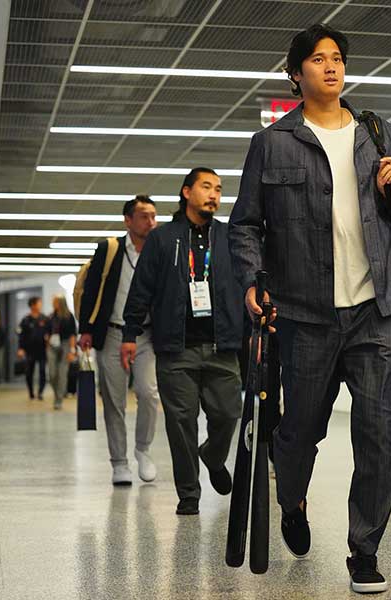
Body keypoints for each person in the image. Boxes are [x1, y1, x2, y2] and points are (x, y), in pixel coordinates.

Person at [229, 24, 391, 594]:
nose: (331, 66)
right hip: (305, 314)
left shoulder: (378, 134)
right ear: (295, 74)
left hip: (375, 309)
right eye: (317, 59)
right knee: (298, 431)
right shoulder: (272, 143)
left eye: (337, 57)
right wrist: (252, 280)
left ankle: (364, 551)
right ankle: (292, 500)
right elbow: (245, 225)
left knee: (378, 434)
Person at [122, 168, 244, 516]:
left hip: (222, 345)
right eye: (206, 187)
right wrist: (129, 334)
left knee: (228, 414)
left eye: (218, 189)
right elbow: (141, 288)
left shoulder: (230, 237)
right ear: (187, 192)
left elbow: (246, 284)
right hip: (177, 348)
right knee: (181, 423)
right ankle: (189, 493)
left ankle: (213, 456)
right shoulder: (163, 239)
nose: (214, 194)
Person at [78, 195, 161, 486]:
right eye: (144, 216)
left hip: (146, 334)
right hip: (112, 333)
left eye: (154, 216)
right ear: (128, 221)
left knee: (148, 393)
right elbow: (91, 290)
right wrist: (86, 329)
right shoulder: (109, 249)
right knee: (114, 402)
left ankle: (143, 449)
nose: (151, 222)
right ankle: (119, 463)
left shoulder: (159, 250)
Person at [47, 295, 77, 410]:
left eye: (55, 301)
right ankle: (57, 393)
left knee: (62, 372)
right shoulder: (51, 316)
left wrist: (72, 350)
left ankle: (58, 399)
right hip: (52, 346)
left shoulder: (69, 316)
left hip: (65, 345)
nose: (53, 303)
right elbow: (47, 332)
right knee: (52, 374)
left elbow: (72, 335)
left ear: (60, 302)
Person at [17, 297, 48, 400]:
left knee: (42, 371)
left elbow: (49, 332)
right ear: (33, 305)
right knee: (29, 371)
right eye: (39, 303)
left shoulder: (44, 318)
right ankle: (31, 392)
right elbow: (21, 335)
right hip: (29, 350)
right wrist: (20, 348)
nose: (40, 305)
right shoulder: (26, 320)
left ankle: (40, 392)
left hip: (42, 349)